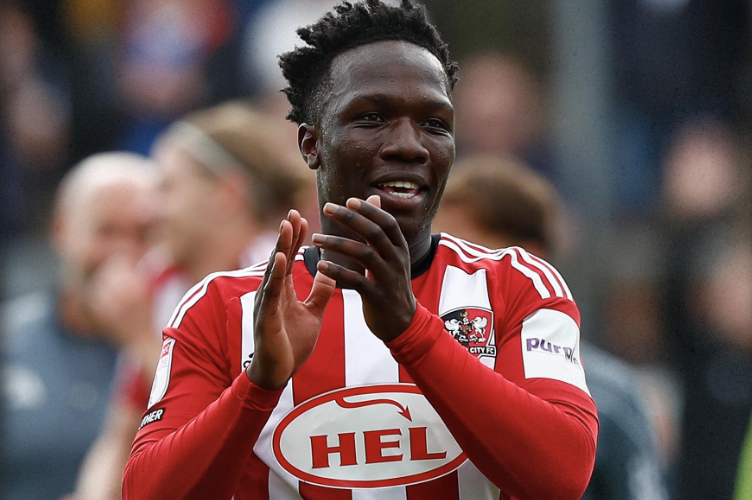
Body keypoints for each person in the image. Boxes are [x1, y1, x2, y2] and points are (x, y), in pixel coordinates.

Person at [122, 2, 598, 499]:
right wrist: (258, 385)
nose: (409, 145)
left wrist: (412, 333)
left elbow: (562, 475)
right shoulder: (221, 308)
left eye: (435, 123)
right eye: (372, 118)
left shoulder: (516, 284)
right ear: (311, 144)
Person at [66, 101, 311, 500]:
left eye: (167, 187)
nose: (148, 211)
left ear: (226, 194)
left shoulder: (288, 284)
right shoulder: (161, 281)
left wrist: (141, 339)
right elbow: (122, 435)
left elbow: (242, 443)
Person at [432, 154, 670, 500]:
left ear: (528, 257)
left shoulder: (609, 396)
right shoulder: (404, 374)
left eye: (465, 250)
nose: (447, 270)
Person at [0, 152, 158, 500]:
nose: (125, 253)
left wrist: (142, 340)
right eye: (107, 231)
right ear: (61, 230)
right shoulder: (10, 340)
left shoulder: (189, 345)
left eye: (143, 235)